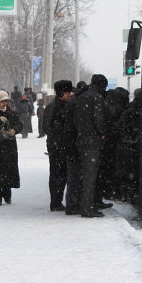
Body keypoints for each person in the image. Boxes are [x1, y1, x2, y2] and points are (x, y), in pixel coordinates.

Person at [74, 74, 112, 217]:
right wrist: (102, 133)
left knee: (84, 176)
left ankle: (84, 205)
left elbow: (76, 120)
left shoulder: (81, 96)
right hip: (92, 142)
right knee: (91, 176)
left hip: (82, 139)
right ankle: (87, 208)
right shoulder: (96, 97)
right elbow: (98, 118)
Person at [43, 80, 79, 213]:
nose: (70, 94)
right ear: (62, 93)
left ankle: (56, 201)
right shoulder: (54, 107)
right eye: (68, 92)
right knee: (57, 175)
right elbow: (47, 127)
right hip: (57, 146)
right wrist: (61, 136)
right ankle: (55, 202)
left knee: (61, 174)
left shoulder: (64, 105)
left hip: (61, 145)